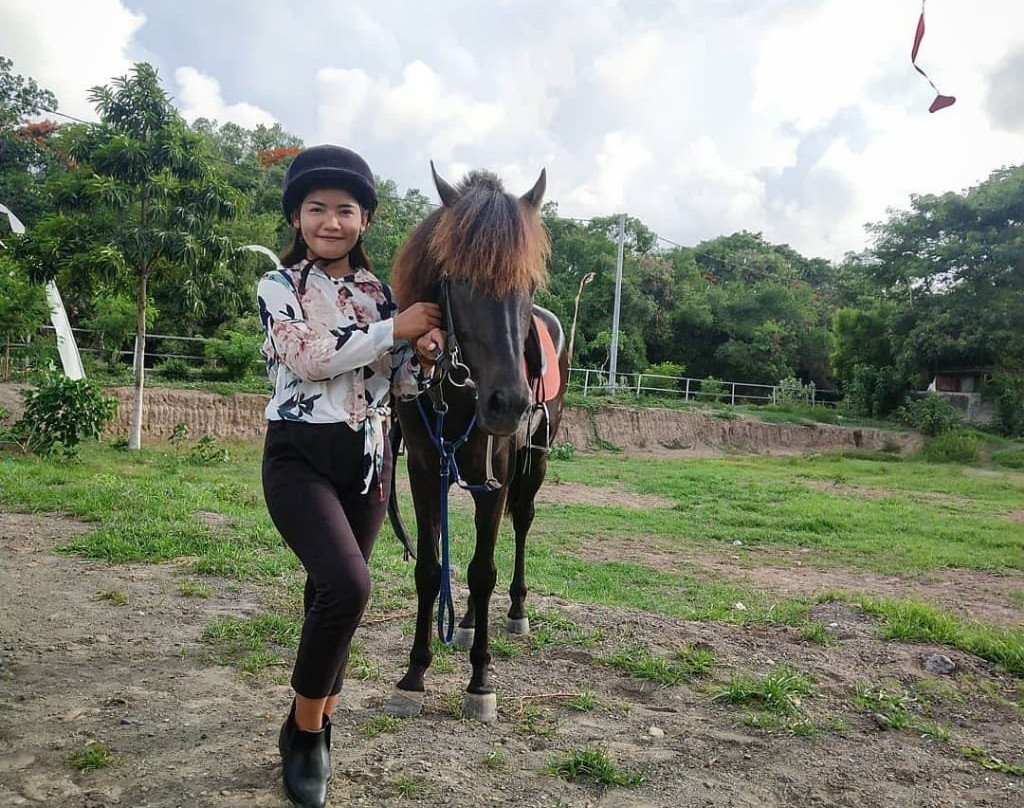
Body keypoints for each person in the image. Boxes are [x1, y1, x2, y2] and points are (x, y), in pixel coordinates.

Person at [257, 144, 444, 808]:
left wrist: (420, 354)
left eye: (345, 210)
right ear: (297, 217)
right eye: (316, 209)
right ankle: (306, 733)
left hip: (368, 458)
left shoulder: (377, 294)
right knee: (349, 585)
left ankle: (323, 709)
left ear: (365, 219)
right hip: (299, 456)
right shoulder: (278, 286)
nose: (330, 221)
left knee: (327, 593)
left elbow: (399, 385)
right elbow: (307, 358)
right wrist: (398, 326)